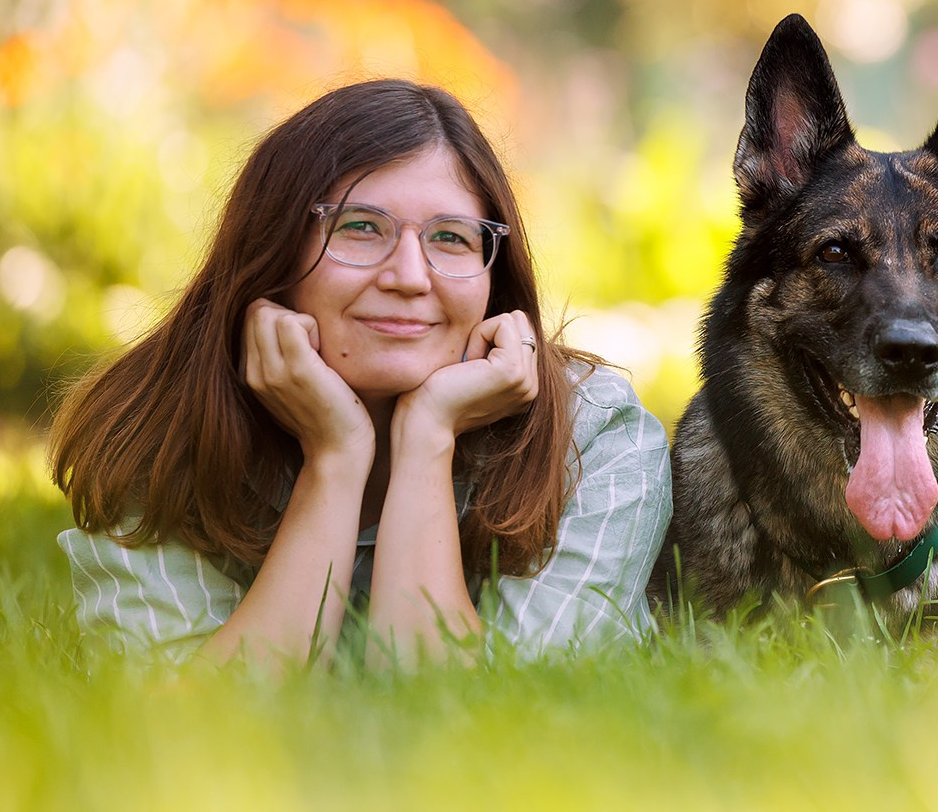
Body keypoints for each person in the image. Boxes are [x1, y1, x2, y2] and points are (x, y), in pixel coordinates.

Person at [49, 79, 671, 665]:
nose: (408, 276)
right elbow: (194, 719)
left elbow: (479, 717)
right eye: (359, 228)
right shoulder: (160, 430)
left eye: (451, 238)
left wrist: (428, 435)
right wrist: (336, 456)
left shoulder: (592, 437)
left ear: (493, 274)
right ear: (270, 252)